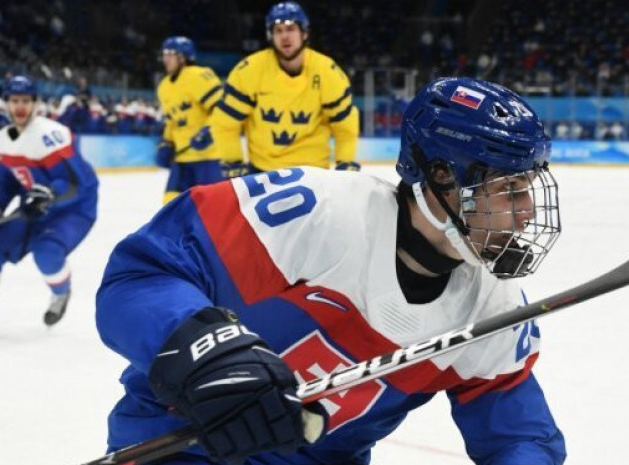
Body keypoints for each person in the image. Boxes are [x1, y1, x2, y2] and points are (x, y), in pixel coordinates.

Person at [96, 77, 566, 464]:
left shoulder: (491, 310)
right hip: (184, 445)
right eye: (510, 190)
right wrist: (207, 353)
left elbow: (519, 438)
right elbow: (144, 273)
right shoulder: (314, 211)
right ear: (443, 175)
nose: (526, 212)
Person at [0, 76, 98, 325]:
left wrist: (47, 194)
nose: (20, 107)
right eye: (14, 101)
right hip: (34, 205)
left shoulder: (51, 134)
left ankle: (60, 293)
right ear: (6, 104)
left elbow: (75, 183)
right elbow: (5, 185)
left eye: (25, 101)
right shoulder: (1, 140)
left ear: (35, 103)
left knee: (47, 251)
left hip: (74, 207)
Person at [192, 1, 360, 175]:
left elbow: (345, 127)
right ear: (270, 35)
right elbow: (226, 124)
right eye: (278, 30)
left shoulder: (327, 72)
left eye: (291, 29)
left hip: (313, 174)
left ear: (304, 33)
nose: (285, 36)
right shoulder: (250, 71)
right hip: (262, 173)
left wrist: (345, 162)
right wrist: (233, 161)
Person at [156, 36, 225, 204]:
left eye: (170, 54)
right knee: (170, 207)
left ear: (183, 57)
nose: (165, 59)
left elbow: (223, 109)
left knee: (212, 210)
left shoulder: (199, 76)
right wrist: (166, 142)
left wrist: (209, 130)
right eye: (164, 54)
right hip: (182, 160)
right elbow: (171, 121)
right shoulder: (163, 86)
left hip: (209, 159)